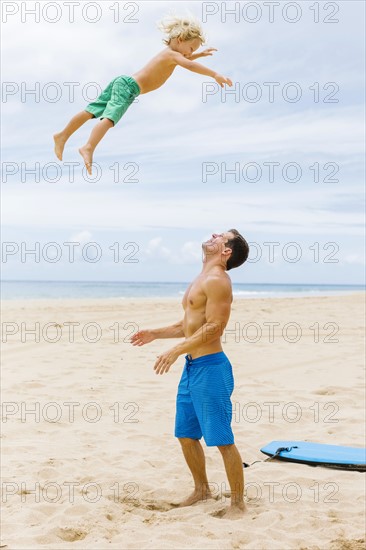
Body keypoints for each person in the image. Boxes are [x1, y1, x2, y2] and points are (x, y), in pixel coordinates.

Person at [130, 230, 250, 518]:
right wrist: (155, 334)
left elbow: (215, 327)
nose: (214, 234)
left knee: (222, 439)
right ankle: (201, 490)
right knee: (185, 434)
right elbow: (190, 326)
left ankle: (237, 504)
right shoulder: (201, 279)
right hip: (193, 367)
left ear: (226, 251)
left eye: (222, 235)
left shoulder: (218, 280)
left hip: (211, 369)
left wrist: (175, 351)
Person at [53, 15, 233, 174]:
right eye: (191, 48)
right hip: (128, 88)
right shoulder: (172, 56)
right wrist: (214, 74)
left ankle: (62, 135)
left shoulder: (171, 55)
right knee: (110, 118)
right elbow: (188, 64)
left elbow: (185, 59)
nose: (190, 53)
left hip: (123, 82)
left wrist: (198, 55)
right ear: (180, 40)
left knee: (91, 110)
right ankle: (88, 147)